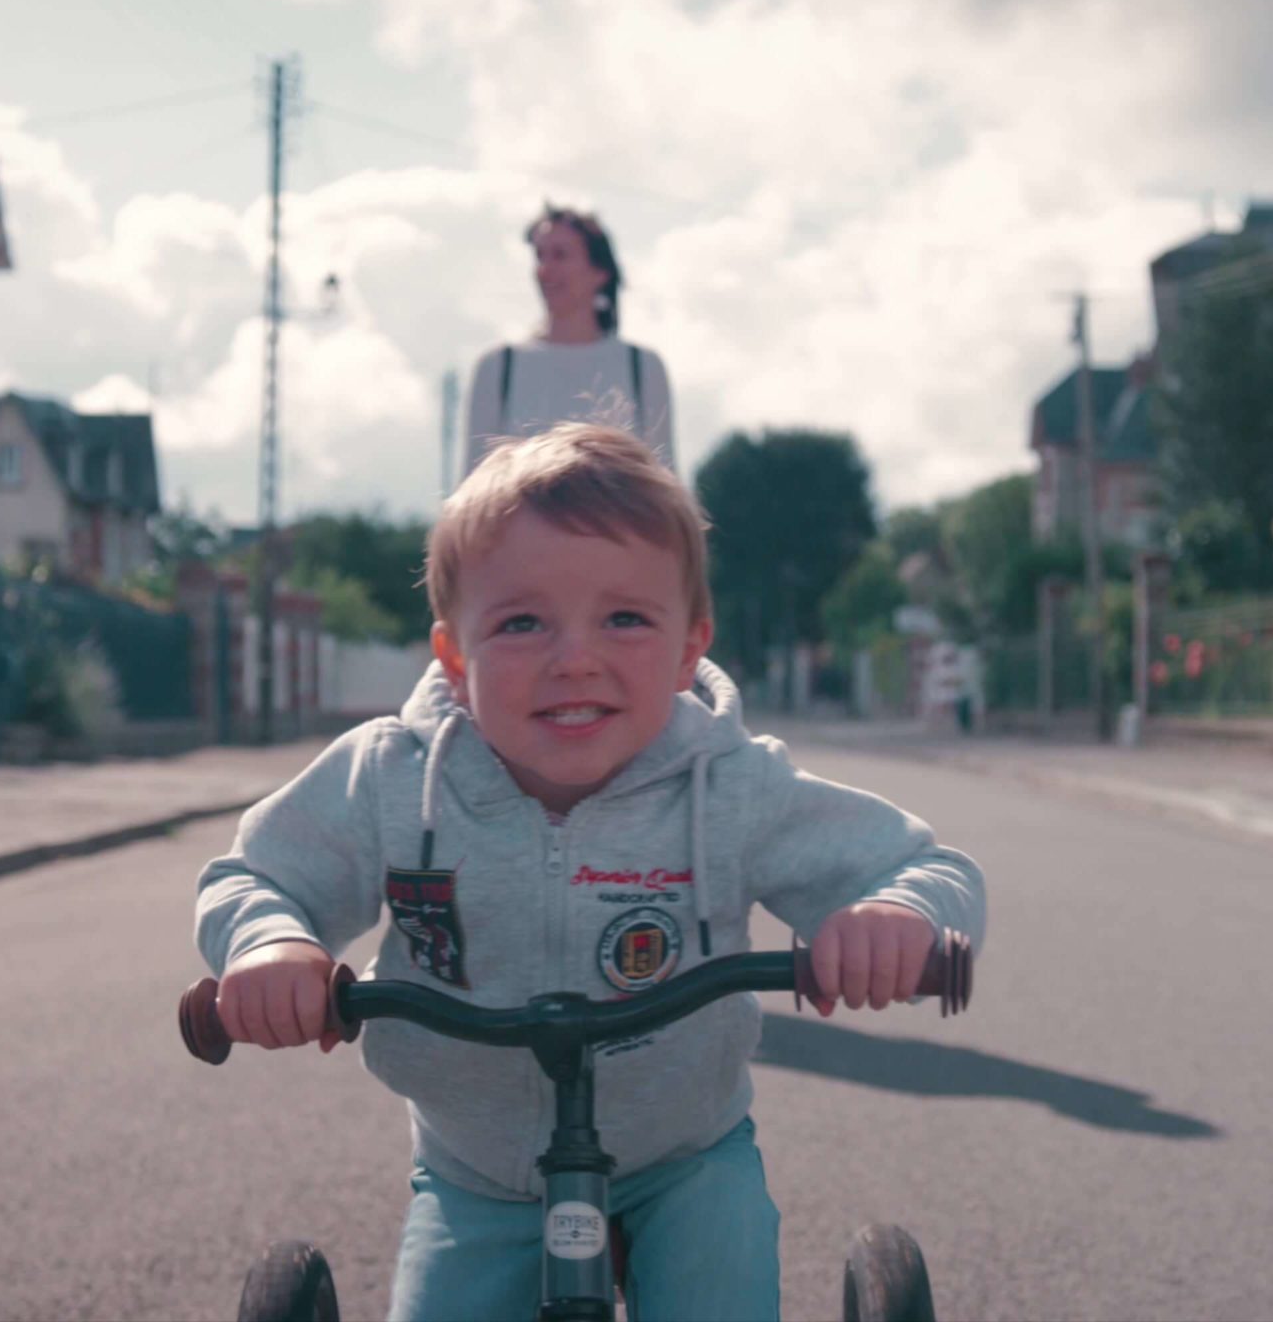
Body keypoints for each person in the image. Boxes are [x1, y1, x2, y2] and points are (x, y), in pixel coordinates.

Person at [197, 424, 987, 1321]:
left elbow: (925, 865)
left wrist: (892, 917)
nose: (575, 657)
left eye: (625, 618)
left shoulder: (728, 786)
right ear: (455, 658)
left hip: (683, 1154)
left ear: (690, 649)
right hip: (479, 1172)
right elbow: (254, 877)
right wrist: (271, 947)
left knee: (719, 1291)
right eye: (523, 621)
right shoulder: (390, 779)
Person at [463, 205, 676, 476]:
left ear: (600, 272)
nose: (544, 269)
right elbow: (472, 487)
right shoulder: (498, 367)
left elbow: (667, 482)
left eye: (560, 255)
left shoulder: (642, 368)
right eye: (540, 256)